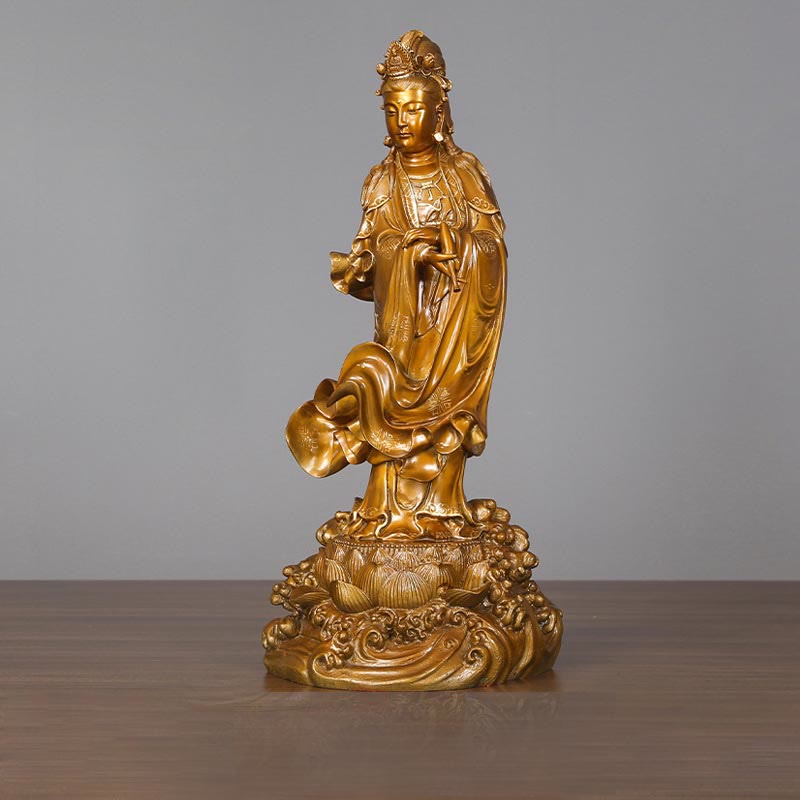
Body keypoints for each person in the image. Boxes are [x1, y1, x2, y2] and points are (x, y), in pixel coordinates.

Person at [286, 30, 507, 539]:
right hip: (401, 330)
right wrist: (401, 254)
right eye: (392, 111)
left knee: (443, 424)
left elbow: (492, 245)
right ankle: (385, 514)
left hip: (451, 327)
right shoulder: (382, 180)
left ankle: (441, 514)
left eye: (413, 109)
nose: (402, 121)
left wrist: (455, 245)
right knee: (375, 388)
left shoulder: (464, 173)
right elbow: (368, 251)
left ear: (439, 113)